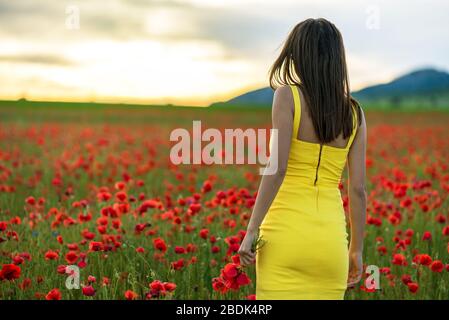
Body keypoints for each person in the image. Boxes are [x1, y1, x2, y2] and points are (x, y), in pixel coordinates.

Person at [238, 18, 367, 300]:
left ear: (298, 55)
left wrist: (251, 230)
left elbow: (278, 168)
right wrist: (356, 251)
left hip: (284, 238)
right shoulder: (355, 113)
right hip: (331, 243)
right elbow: (357, 189)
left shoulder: (287, 96)